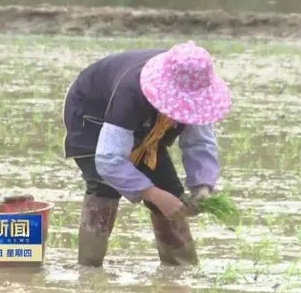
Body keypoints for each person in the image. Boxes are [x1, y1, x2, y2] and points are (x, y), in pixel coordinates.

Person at [62, 41, 232, 267]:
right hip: (93, 114)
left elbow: (199, 142)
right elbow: (108, 159)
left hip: (148, 125)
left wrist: (202, 186)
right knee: (104, 186)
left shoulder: (196, 93)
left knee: (170, 193)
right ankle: (89, 271)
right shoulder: (131, 92)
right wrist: (152, 194)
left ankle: (181, 269)